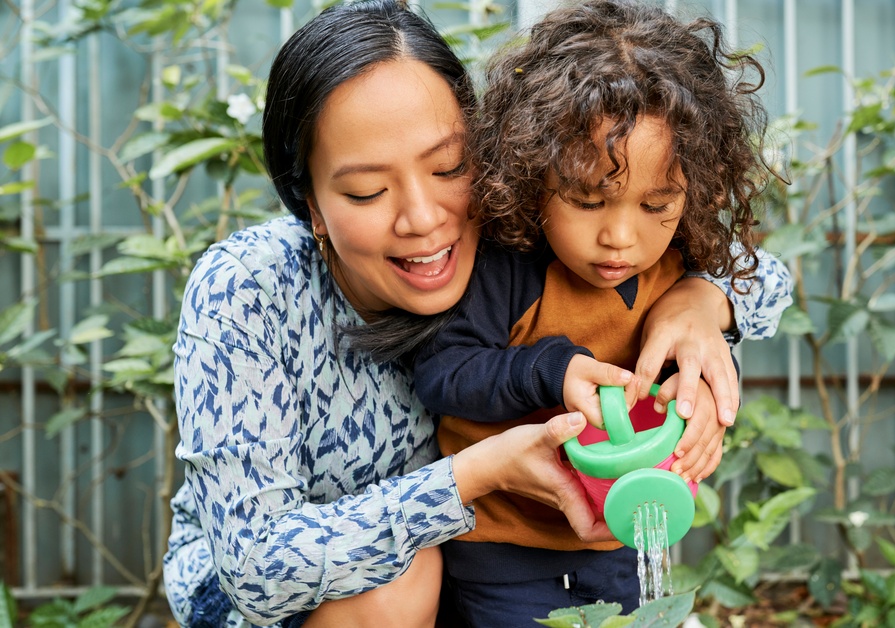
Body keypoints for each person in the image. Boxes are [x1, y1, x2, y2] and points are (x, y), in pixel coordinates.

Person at [161, 1, 792, 627]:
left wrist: (701, 306)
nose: (423, 218)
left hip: (493, 575)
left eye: (448, 167)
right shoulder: (251, 288)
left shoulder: (534, 216)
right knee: (402, 584)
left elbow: (748, 269)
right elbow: (257, 570)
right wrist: (474, 476)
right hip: (306, 598)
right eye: (365, 191)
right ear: (312, 206)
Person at [411, 0, 784, 623]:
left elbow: (723, 326)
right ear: (534, 173)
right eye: (588, 202)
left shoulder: (680, 263)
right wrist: (550, 371)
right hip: (505, 548)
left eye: (656, 204)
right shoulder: (509, 266)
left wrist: (702, 402)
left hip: (623, 532)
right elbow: (443, 373)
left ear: (695, 187)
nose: (621, 238)